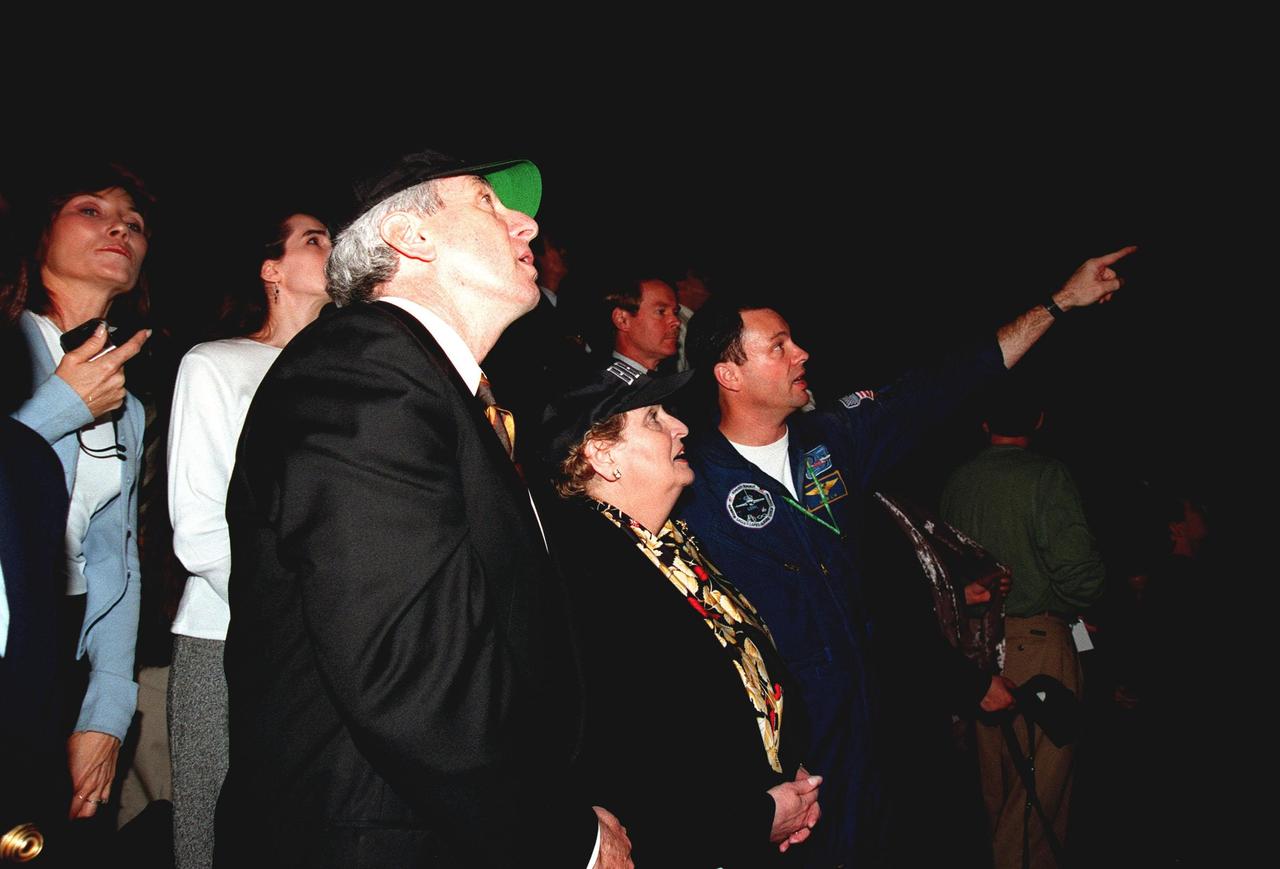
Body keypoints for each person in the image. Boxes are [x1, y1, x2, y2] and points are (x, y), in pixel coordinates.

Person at [216, 150, 630, 868]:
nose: (525, 221)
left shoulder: (445, 389)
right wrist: (567, 838)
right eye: (487, 202)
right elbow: (411, 668)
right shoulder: (362, 365)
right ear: (412, 236)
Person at [676, 247, 1135, 865]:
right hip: (786, 752)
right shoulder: (689, 481)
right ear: (729, 374)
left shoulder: (832, 443)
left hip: (872, 729)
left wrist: (1058, 303)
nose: (801, 353)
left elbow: (943, 382)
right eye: (778, 345)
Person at [541, 363, 822, 866]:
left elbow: (743, 681)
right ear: (603, 456)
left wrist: (787, 786)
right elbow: (628, 762)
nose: (681, 425)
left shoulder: (670, 542)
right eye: (653, 417)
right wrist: (755, 817)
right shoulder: (581, 577)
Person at [166, 210, 331, 869]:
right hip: (227, 637)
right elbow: (199, 529)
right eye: (315, 239)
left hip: (325, 645)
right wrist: (304, 604)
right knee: (213, 835)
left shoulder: (344, 372)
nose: (334, 248)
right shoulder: (216, 364)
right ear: (272, 269)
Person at [1, 164, 154, 824]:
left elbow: (117, 558)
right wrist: (61, 407)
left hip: (57, 656)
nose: (119, 224)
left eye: (135, 222)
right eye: (90, 210)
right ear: (39, 240)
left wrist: (110, 706)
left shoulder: (130, 407)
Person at [940, 388, 1105, 868]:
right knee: (1040, 793)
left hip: (976, 651)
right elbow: (1078, 570)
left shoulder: (957, 481)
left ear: (984, 423)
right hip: (1037, 642)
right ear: (1039, 420)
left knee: (999, 787)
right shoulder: (1046, 476)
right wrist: (1086, 596)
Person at [603, 275, 681, 374]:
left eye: (675, 312)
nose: (676, 321)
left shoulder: (674, 381)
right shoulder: (601, 387)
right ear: (622, 320)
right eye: (661, 311)